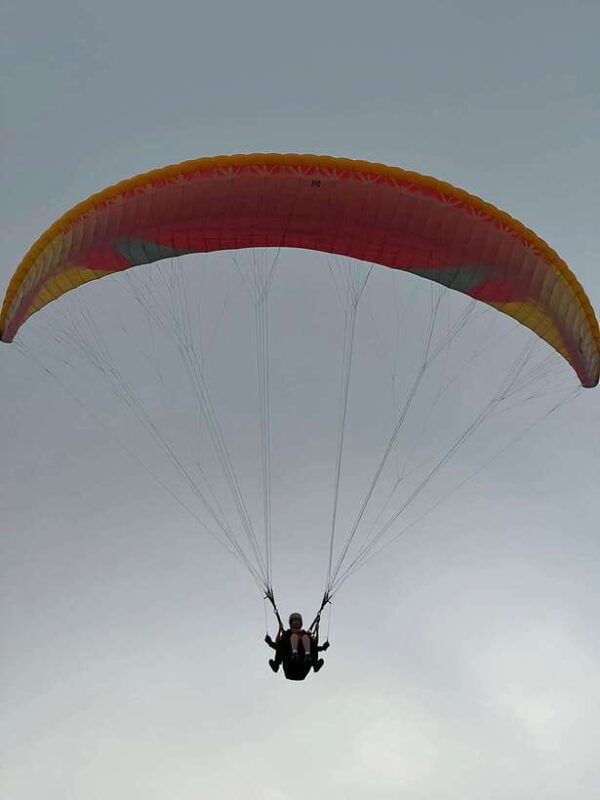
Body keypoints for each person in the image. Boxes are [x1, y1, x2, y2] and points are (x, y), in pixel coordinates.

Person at [265, 612, 330, 680]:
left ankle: (313, 663)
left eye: (297, 620)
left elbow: (314, 648)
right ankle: (277, 664)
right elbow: (279, 646)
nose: (296, 622)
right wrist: (270, 642)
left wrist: (323, 647)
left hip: (303, 666)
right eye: (294, 620)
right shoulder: (287, 635)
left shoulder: (306, 635)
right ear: (291, 623)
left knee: (306, 639)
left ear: (300, 623)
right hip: (290, 665)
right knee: (291, 638)